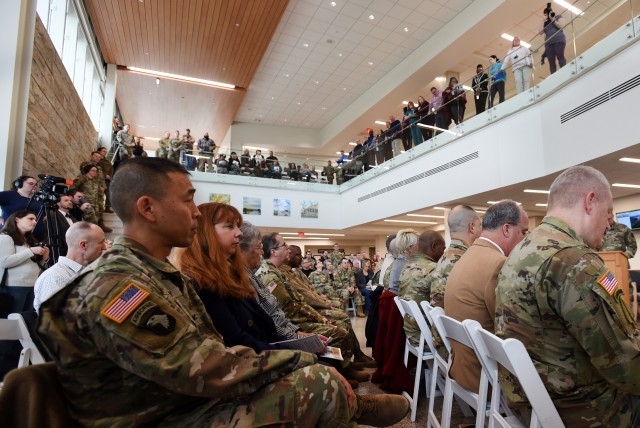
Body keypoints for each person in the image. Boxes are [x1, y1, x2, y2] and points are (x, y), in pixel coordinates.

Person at [36, 157, 409, 427]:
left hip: (175, 401)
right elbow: (201, 369)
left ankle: (350, 410)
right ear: (147, 208)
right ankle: (352, 410)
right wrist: (297, 359)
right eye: (186, 200)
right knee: (314, 381)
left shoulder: (154, 272)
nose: (196, 213)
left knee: (312, 375)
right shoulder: (118, 285)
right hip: (158, 414)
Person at [495, 165, 640, 427]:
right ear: (590, 201)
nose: (609, 225)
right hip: (582, 408)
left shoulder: (522, 248)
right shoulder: (575, 262)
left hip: (534, 401)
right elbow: (624, 368)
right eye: (608, 213)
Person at [179, 203, 294, 352]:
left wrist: (295, 346)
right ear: (206, 232)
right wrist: (294, 353)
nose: (239, 233)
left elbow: (265, 324)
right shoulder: (201, 280)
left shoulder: (231, 274)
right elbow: (237, 342)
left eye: (237, 226)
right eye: (229, 226)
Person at [444, 200, 528, 393]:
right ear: (506, 229)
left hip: (465, 366)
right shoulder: (498, 263)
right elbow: (513, 329)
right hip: (484, 374)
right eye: (524, 232)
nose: (526, 239)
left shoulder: (470, 254)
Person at [33, 222, 106, 314]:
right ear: (83, 245)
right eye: (101, 242)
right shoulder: (54, 278)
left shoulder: (89, 272)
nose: (104, 247)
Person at [398, 230, 445, 347]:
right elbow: (438, 312)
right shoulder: (435, 269)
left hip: (410, 331)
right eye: (443, 249)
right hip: (425, 336)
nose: (444, 253)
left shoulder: (407, 266)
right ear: (434, 246)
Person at [0, 210, 49, 314]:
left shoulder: (27, 240)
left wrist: (45, 258)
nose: (34, 222)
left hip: (31, 285)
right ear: (17, 219)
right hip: (13, 287)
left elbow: (34, 266)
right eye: (30, 219)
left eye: (35, 220)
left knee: (24, 320)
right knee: (12, 321)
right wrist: (30, 251)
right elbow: (4, 262)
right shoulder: (5, 237)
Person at [541, 5, 566, 74]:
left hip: (559, 39)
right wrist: (543, 21)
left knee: (560, 55)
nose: (548, 14)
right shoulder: (545, 23)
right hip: (549, 43)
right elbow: (540, 32)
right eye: (546, 14)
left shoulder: (558, 17)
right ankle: (554, 76)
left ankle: (564, 72)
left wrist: (553, 20)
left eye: (549, 13)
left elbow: (561, 26)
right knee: (551, 61)